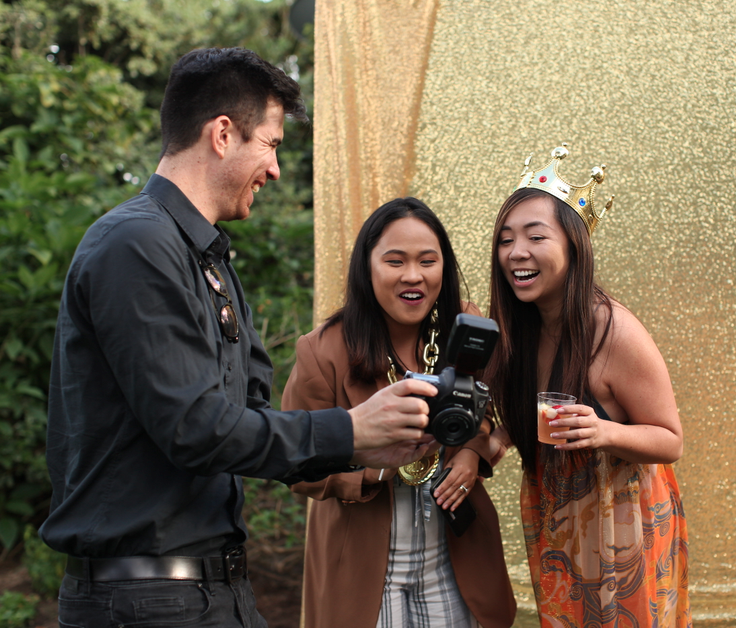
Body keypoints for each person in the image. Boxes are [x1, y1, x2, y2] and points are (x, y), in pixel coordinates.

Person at [39, 48, 441, 628]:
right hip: (145, 601)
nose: (275, 169)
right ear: (223, 134)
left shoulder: (211, 262)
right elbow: (194, 428)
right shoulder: (135, 244)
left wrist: (369, 447)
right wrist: (351, 428)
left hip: (214, 592)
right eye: (271, 144)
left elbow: (246, 423)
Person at [282, 197, 517, 628]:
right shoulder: (322, 351)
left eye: (428, 261)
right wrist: (376, 467)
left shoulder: (466, 327)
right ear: (367, 267)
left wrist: (472, 452)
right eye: (395, 261)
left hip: (453, 559)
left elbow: (493, 407)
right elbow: (296, 463)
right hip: (365, 571)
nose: (413, 275)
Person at [485, 145, 691, 626]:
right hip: (559, 525)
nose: (516, 252)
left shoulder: (614, 331)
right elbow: (535, 410)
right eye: (505, 239)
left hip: (625, 533)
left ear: (574, 247)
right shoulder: (522, 326)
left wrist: (604, 432)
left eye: (536, 236)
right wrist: (495, 440)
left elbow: (671, 440)